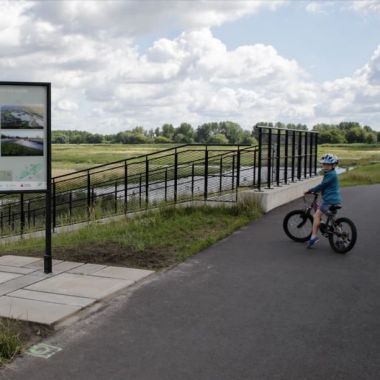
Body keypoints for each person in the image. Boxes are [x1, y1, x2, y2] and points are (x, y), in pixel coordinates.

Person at [304, 153, 342, 248]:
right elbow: (325, 186)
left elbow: (322, 186)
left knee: (316, 215)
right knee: (334, 220)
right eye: (324, 164)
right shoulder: (332, 174)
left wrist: (310, 190)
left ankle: (313, 238)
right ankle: (340, 238)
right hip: (336, 200)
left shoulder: (330, 175)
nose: (325, 166)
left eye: (328, 165)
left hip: (329, 201)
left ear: (333, 166)